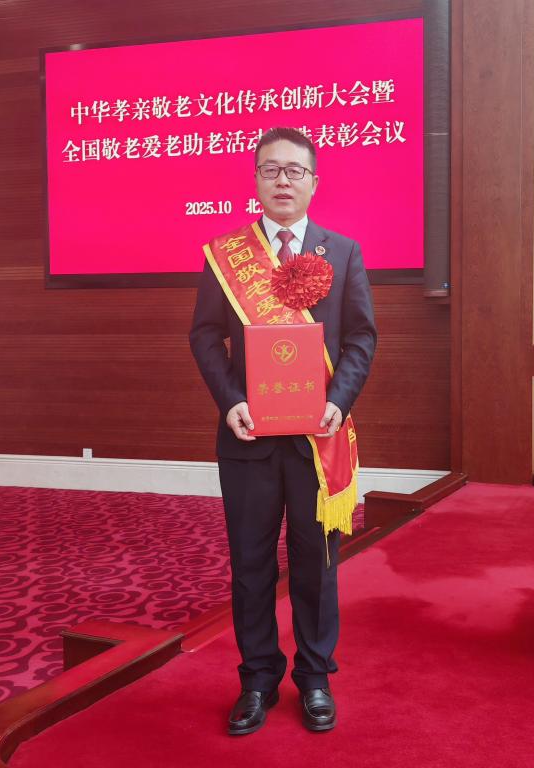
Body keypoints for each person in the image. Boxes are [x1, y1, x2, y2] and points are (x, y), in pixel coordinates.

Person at [189, 127, 376, 735]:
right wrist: (231, 402)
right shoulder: (226, 255)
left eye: (295, 170)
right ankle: (257, 680)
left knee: (316, 562)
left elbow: (361, 338)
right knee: (250, 564)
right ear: (256, 181)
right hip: (248, 437)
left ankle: (315, 677)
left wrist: (339, 402)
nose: (283, 181)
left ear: (314, 182)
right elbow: (204, 336)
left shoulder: (342, 252)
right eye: (270, 170)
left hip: (318, 439)